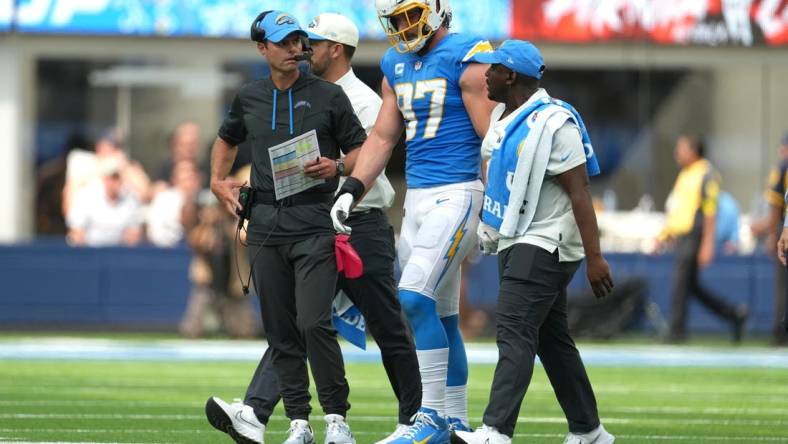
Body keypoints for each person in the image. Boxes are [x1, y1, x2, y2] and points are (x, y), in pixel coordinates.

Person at [205, 12, 422, 444]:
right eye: (293, 42)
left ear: (334, 48)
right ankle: (266, 413)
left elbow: (371, 161)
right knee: (300, 322)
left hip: (358, 223)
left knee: (383, 325)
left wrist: (339, 167)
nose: (302, 49)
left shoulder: (357, 99)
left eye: (312, 42)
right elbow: (234, 138)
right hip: (307, 221)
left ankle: (415, 417)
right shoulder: (269, 95)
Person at [330, 0, 497, 441]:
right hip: (418, 199)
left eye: (411, 14)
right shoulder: (393, 63)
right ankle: (456, 421)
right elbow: (383, 137)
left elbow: (492, 141)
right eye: (396, 18)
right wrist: (351, 190)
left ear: (437, 8)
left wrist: (496, 207)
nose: (404, 27)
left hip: (458, 191)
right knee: (441, 315)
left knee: (414, 297)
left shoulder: (468, 56)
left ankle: (431, 417)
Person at [450, 40, 614, 444]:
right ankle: (589, 431)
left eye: (492, 69)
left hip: (547, 241)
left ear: (511, 76)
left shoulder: (556, 123)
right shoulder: (507, 120)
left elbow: (580, 191)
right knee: (551, 340)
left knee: (513, 330)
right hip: (518, 238)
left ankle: (495, 430)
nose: (484, 75)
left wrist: (595, 258)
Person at [657, 135, 748, 343]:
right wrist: (665, 234)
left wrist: (707, 243)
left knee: (681, 282)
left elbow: (710, 210)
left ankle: (676, 332)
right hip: (683, 236)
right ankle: (734, 314)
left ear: (694, 150)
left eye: (681, 148)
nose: (677, 152)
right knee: (691, 286)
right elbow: (679, 210)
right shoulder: (685, 174)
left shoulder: (706, 173)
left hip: (695, 235)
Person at [753, 132, 788, 345]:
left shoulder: (783, 168)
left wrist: (773, 233)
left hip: (785, 227)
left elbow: (775, 205)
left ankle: (780, 333)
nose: (780, 151)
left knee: (783, 284)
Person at [66, 157, 144, 247]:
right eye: (113, 177)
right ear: (105, 178)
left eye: (119, 177)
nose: (116, 181)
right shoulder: (87, 196)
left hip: (120, 254)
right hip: (90, 253)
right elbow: (76, 231)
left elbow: (134, 234)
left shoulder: (131, 198)